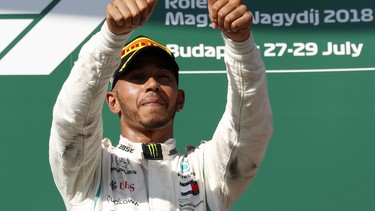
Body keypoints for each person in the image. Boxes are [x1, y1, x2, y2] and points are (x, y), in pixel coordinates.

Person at [49, 0, 273, 210]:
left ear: (180, 100)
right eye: (137, 77)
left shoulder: (208, 172)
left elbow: (250, 127)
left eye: (163, 77)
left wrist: (240, 46)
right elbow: (72, 121)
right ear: (113, 102)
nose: (152, 84)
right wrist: (111, 38)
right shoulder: (89, 173)